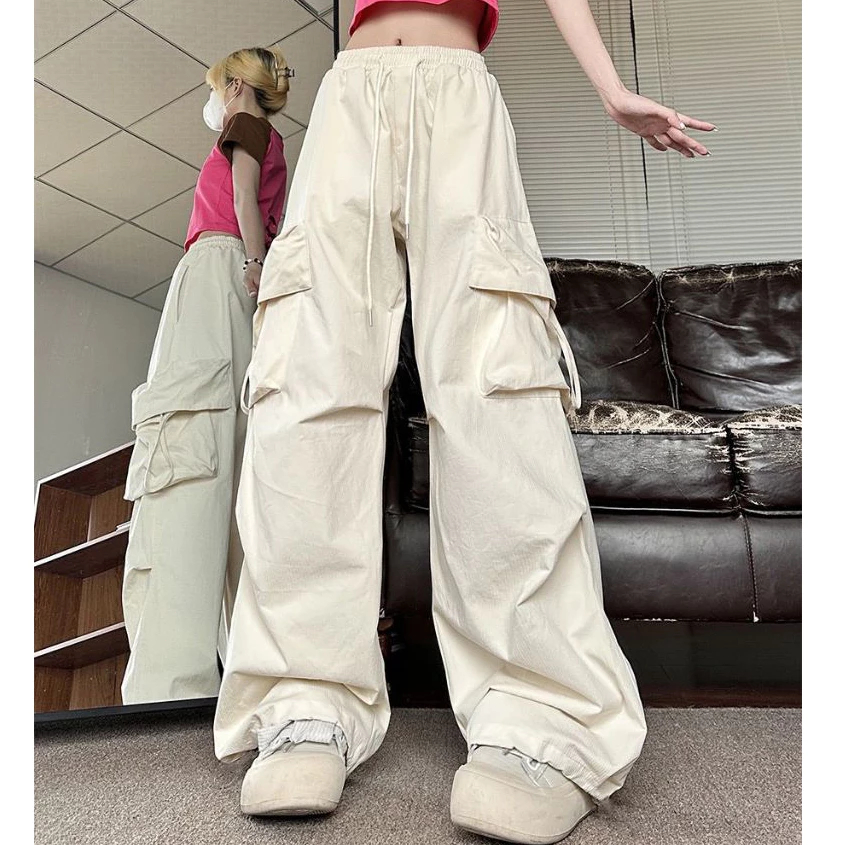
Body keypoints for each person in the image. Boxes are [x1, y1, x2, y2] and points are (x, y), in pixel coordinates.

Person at [213, 2, 716, 843]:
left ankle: (538, 722)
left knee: (498, 393)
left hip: (458, 96)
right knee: (305, 385)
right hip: (349, 95)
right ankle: (304, 702)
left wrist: (610, 87)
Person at [120, 46, 293, 705]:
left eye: (218, 88)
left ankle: (170, 686)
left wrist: (253, 263)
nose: (215, 101)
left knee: (187, 453)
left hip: (221, 268)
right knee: (233, 460)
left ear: (235, 86)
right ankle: (241, 674)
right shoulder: (274, 142)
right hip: (241, 287)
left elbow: (242, 197)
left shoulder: (243, 125)